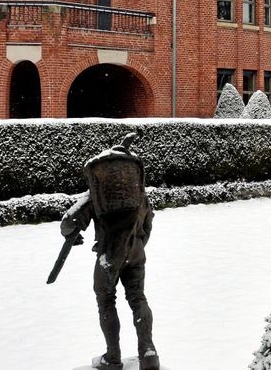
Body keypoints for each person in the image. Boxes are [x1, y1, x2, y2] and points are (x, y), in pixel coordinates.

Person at [61, 132, 159, 370]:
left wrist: (71, 236)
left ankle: (112, 357)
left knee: (106, 301)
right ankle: (148, 353)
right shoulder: (139, 195)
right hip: (136, 253)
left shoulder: (96, 195)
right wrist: (136, 243)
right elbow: (148, 223)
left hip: (108, 256)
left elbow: (68, 222)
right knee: (138, 298)